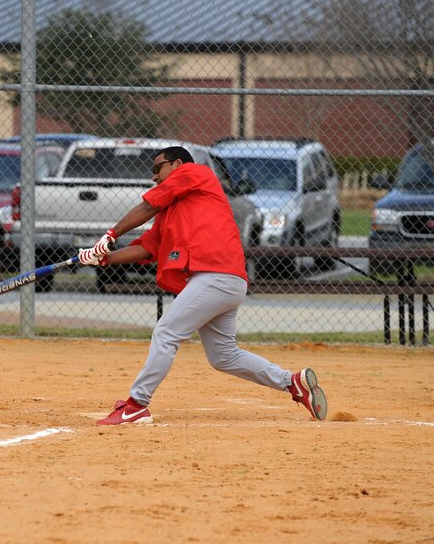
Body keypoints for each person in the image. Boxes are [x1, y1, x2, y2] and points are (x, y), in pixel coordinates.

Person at [78, 146, 327, 426]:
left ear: (177, 164)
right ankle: (293, 383)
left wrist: (111, 234)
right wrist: (103, 259)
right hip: (220, 280)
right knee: (224, 356)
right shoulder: (171, 209)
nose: (153, 177)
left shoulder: (196, 173)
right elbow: (149, 247)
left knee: (166, 331)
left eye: (157, 168)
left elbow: (148, 205)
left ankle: (136, 405)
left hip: (216, 275)